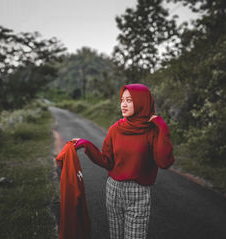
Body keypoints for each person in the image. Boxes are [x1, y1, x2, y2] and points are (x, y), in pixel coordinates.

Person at [72, 83, 174, 239]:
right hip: (113, 190)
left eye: (129, 100)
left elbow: (164, 162)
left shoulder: (152, 131)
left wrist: (162, 128)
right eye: (122, 100)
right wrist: (86, 145)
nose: (123, 104)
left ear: (141, 102)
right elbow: (107, 161)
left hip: (138, 193)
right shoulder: (116, 129)